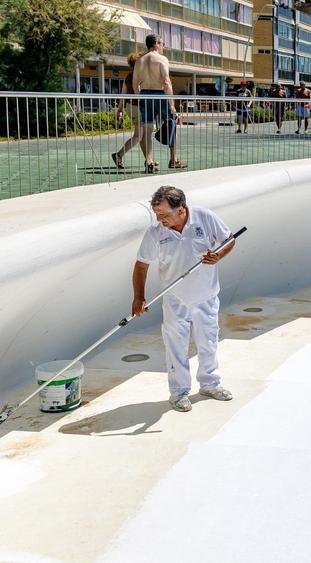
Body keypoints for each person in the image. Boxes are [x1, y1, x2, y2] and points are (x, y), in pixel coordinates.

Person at [132, 186, 236, 412]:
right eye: (156, 214)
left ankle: (210, 384)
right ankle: (178, 393)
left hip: (206, 295)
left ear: (181, 210)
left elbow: (229, 240)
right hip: (175, 298)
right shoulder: (155, 233)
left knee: (208, 341)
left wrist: (218, 255)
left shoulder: (204, 218)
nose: (160, 219)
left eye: (164, 214)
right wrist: (138, 297)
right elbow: (141, 265)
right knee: (176, 346)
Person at [132, 34, 186, 173]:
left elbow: (134, 83)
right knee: (172, 123)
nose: (163, 47)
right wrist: (172, 104)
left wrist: (140, 97)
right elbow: (166, 82)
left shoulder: (140, 61)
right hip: (160, 94)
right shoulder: (162, 59)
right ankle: (173, 160)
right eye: (162, 43)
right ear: (156, 44)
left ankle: (149, 161)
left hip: (145, 94)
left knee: (148, 130)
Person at [110, 53, 151, 171]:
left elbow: (123, 94)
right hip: (138, 108)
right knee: (139, 136)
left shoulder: (129, 76)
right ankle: (118, 155)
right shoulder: (142, 76)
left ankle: (148, 160)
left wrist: (120, 109)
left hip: (130, 107)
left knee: (142, 136)